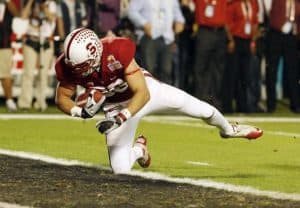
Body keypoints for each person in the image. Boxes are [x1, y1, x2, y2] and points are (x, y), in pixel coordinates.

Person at [55, 28, 263, 174]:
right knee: (121, 170)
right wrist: (80, 112)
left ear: (95, 55)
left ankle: (228, 130)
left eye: (81, 66)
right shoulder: (70, 64)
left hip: (147, 93)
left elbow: (142, 93)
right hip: (114, 106)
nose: (76, 71)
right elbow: (62, 97)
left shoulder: (116, 51)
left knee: (202, 110)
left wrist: (120, 119)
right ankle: (140, 150)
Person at [128, 0, 185, 85]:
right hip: (149, 37)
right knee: (149, 72)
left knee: (166, 72)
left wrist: (180, 21)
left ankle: (165, 97)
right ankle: (150, 97)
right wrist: (144, 23)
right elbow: (131, 11)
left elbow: (177, 13)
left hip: (167, 38)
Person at [17, 0, 57, 111]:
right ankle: (25, 103)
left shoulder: (51, 3)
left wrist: (43, 6)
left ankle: (40, 102)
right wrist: (30, 2)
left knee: (43, 74)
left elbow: (52, 18)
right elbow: (23, 16)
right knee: (28, 73)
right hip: (31, 40)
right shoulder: (28, 3)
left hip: (45, 41)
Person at [223, 0, 259, 113]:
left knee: (245, 75)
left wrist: (253, 40)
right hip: (236, 40)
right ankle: (227, 106)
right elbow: (227, 23)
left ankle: (242, 106)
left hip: (247, 41)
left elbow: (255, 22)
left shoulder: (253, 4)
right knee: (232, 75)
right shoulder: (234, 4)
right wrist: (230, 40)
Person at [266, 0, 300, 113]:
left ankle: (295, 104)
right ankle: (271, 105)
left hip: (291, 38)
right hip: (276, 35)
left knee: (293, 72)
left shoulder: (297, 3)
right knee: (272, 71)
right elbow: (269, 13)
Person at [0, 0, 19, 112]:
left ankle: (9, 101)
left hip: (4, 43)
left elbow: (17, 13)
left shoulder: (9, 3)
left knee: (5, 74)